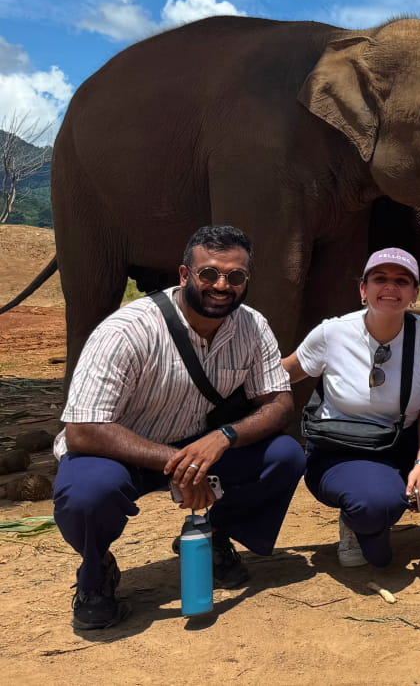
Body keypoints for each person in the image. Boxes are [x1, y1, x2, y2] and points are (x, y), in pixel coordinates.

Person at [52, 225, 305, 630]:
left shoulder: (253, 327)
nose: (222, 285)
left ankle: (215, 535)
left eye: (235, 276)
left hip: (194, 442)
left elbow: (279, 403)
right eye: (209, 274)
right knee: (87, 493)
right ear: (185, 275)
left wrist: (224, 438)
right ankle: (95, 573)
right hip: (118, 451)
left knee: (285, 455)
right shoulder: (126, 331)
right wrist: (181, 463)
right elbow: (83, 429)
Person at [282, 247, 420, 568]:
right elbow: (285, 373)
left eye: (402, 281)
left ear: (415, 293)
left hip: (402, 443)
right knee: (376, 533)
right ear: (363, 289)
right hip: (343, 450)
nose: (390, 287)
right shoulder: (333, 333)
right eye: (380, 279)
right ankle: (358, 517)